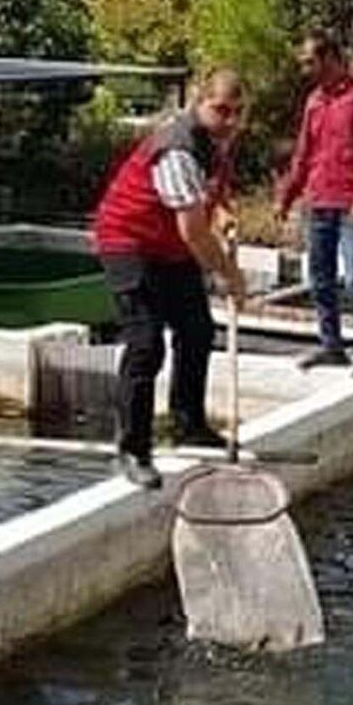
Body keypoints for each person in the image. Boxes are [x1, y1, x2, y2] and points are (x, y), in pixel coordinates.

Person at [91, 70, 250, 490]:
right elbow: (194, 232)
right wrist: (231, 276)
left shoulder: (214, 143)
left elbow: (208, 197)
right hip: (128, 241)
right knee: (146, 343)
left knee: (197, 330)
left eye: (236, 113)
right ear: (201, 102)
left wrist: (223, 211)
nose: (229, 120)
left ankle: (188, 423)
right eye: (221, 110)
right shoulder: (176, 147)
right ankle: (132, 449)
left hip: (168, 246)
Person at [275, 30, 353, 379]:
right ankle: (332, 345)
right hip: (318, 200)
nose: (306, 69)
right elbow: (303, 153)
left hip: (351, 204)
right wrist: (287, 195)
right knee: (319, 278)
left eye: (311, 61)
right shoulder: (314, 101)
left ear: (331, 59)